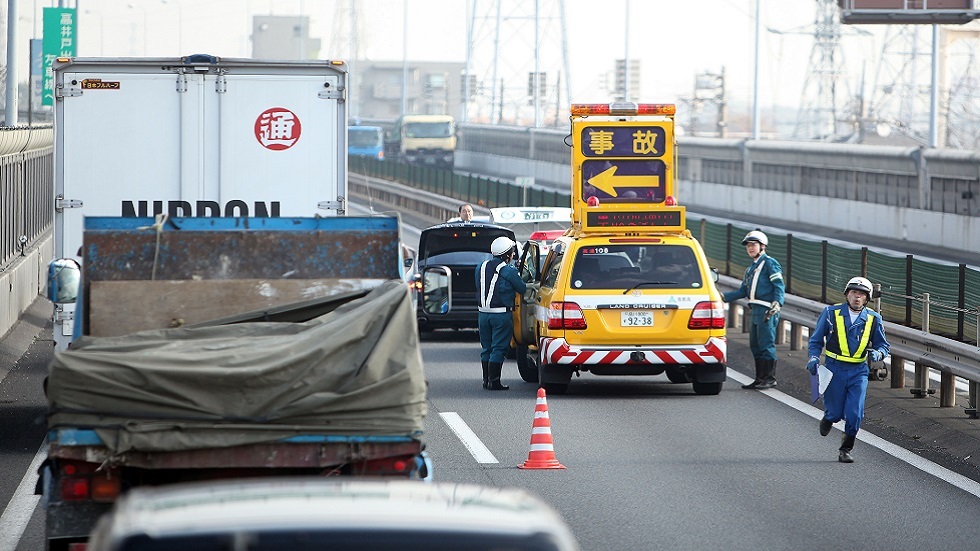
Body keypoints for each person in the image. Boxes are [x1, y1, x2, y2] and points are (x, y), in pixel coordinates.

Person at [807, 276, 889, 463]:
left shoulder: (873, 318)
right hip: (834, 368)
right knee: (835, 412)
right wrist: (813, 357)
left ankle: (845, 449)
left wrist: (878, 354)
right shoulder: (830, 313)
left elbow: (884, 345)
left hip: (858, 371)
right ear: (847, 294)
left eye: (861, 294)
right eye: (853, 293)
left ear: (867, 298)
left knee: (855, 413)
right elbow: (816, 340)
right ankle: (829, 417)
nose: (857, 297)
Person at [722, 230, 785, 389]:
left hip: (766, 309)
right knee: (755, 345)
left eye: (754, 245)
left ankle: (770, 378)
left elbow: (779, 285)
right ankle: (759, 378)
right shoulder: (751, 269)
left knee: (766, 344)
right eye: (748, 245)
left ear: (762, 246)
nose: (750, 248)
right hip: (754, 309)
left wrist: (777, 303)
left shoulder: (770, 263)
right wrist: (722, 296)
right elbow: (743, 291)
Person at [475, 236, 526, 390]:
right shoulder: (508, 270)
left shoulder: (481, 267)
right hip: (500, 315)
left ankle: (486, 381)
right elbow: (522, 288)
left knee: (486, 348)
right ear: (507, 255)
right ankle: (494, 382)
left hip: (482, 314)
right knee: (498, 348)